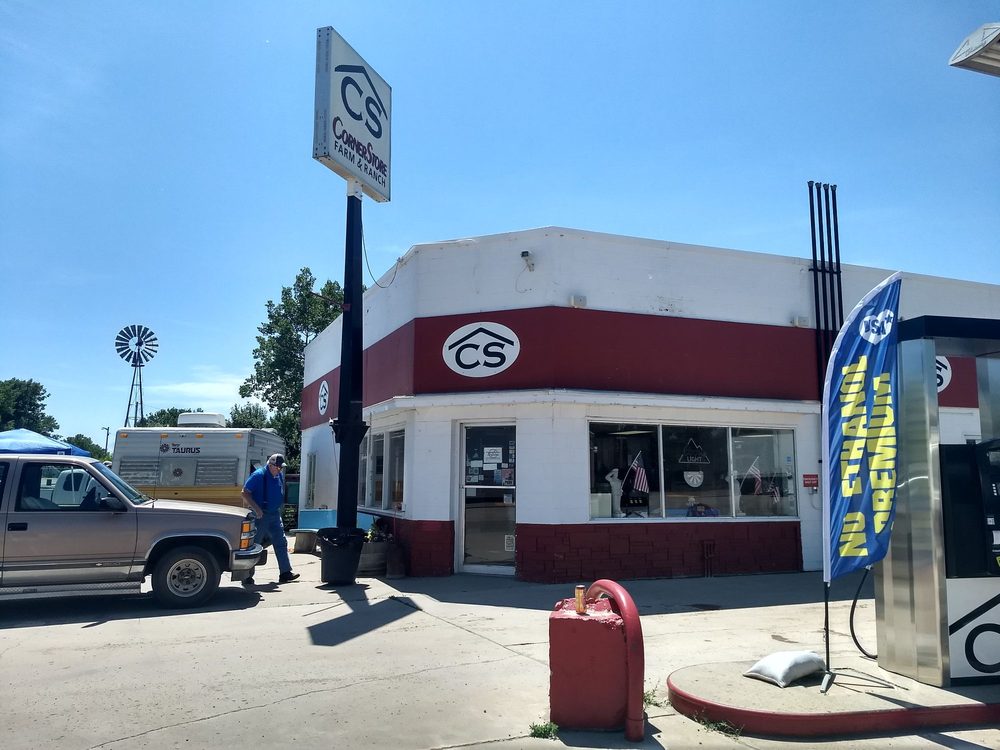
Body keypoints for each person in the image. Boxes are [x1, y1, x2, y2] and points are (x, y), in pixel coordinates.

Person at [241, 453, 299, 585]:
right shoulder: (258, 476)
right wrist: (256, 509)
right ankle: (246, 576)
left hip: (274, 514)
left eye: (281, 467)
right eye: (278, 467)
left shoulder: (278, 475)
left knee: (281, 542)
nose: (280, 469)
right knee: (254, 544)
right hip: (260, 515)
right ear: (270, 465)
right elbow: (245, 493)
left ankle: (285, 573)